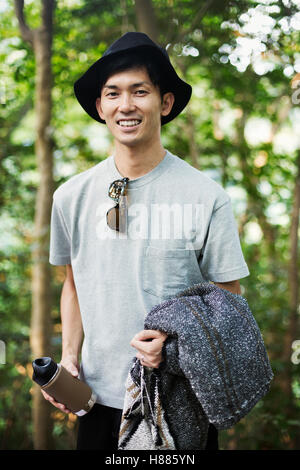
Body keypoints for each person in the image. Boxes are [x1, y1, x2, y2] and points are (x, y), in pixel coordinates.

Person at [44, 32, 250, 450]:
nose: (126, 105)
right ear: (101, 107)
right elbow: (74, 282)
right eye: (113, 93)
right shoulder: (70, 196)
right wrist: (68, 357)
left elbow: (230, 303)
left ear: (166, 102)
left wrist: (173, 346)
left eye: (141, 91)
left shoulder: (206, 196)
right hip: (98, 401)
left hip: (179, 400)